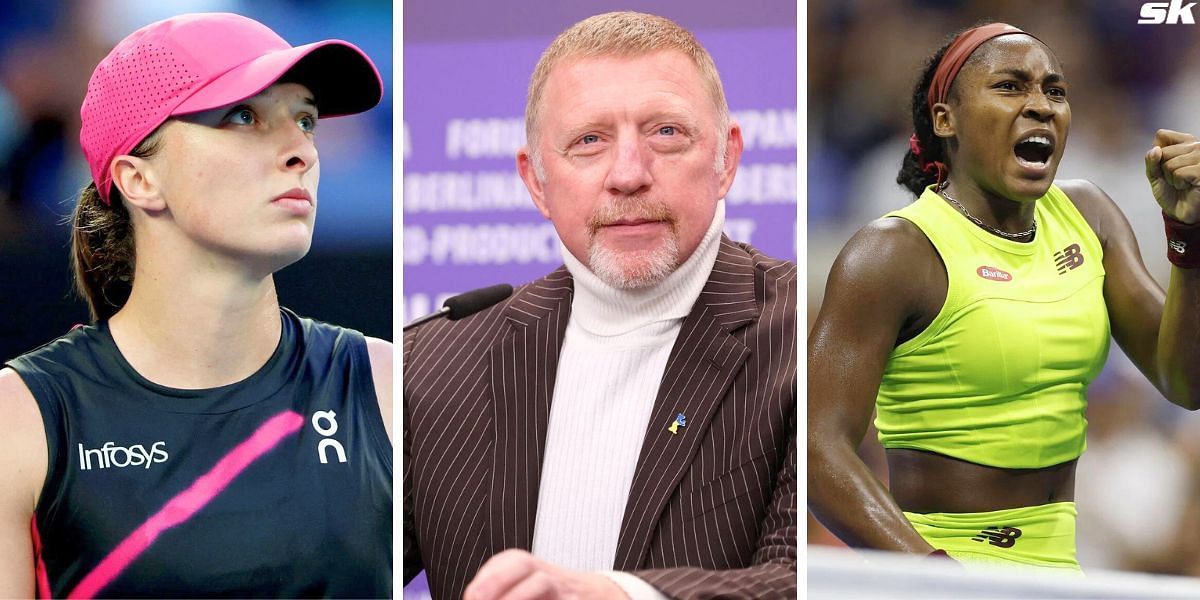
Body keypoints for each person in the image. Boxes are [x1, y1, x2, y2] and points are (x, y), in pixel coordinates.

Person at [403, 11, 796, 600]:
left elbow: (803, 577)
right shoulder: (434, 361)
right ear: (536, 181)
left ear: (726, 160)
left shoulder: (799, 332)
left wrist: (622, 596)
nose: (629, 174)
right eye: (589, 141)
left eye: (665, 133)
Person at [0, 13, 392, 597]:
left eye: (304, 120)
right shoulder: (23, 420)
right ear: (139, 180)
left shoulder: (387, 385)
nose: (301, 152)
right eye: (244, 116)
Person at [808, 21, 1200, 570]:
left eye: (1054, 91)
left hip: (1059, 568)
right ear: (947, 118)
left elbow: (1185, 381)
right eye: (1011, 86)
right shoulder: (893, 252)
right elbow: (817, 449)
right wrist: (935, 575)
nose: (1040, 105)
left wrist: (1188, 240)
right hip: (936, 566)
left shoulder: (1090, 216)